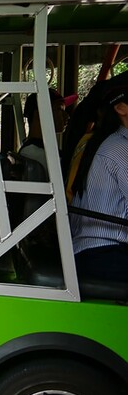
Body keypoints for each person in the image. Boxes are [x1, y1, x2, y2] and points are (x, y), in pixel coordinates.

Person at [69, 75, 128, 281]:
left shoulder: (107, 142)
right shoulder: (121, 148)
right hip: (105, 252)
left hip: (95, 252)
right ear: (121, 107)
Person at [19, 88, 70, 170]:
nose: (67, 116)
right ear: (39, 114)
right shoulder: (37, 154)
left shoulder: (36, 150)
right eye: (59, 109)